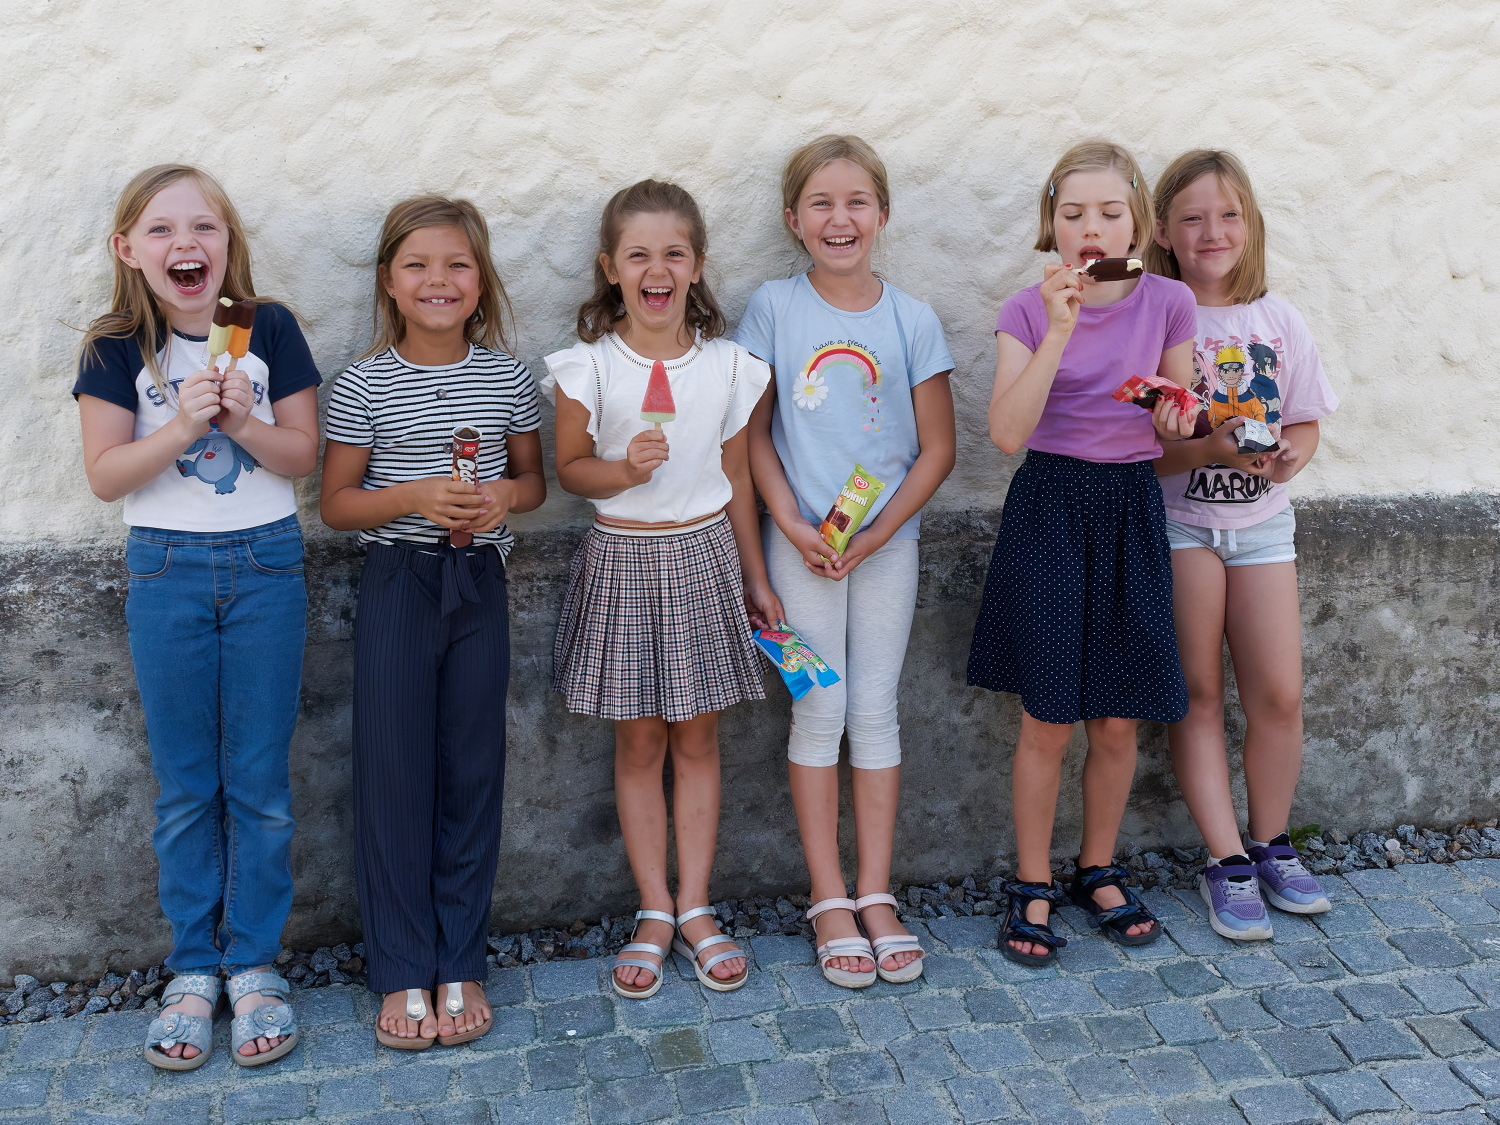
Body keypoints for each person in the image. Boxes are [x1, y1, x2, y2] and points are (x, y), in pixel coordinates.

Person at [74, 164, 321, 1069]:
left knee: (258, 782)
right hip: (165, 569)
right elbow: (106, 476)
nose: (186, 243)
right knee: (186, 785)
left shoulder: (268, 327)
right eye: (163, 229)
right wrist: (180, 427)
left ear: (228, 243)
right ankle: (191, 968)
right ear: (128, 250)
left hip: (266, 565)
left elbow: (302, 453)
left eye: (205, 227)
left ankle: (252, 962)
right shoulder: (117, 347)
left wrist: (244, 423)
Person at [542, 179, 778, 999]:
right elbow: (569, 469)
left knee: (699, 739)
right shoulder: (588, 367)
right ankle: (653, 908)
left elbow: (738, 476)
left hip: (704, 555)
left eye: (674, 253)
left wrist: (755, 575)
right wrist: (621, 469)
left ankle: (698, 906)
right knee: (640, 742)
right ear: (611, 268)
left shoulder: (730, 366)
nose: (658, 268)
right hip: (623, 556)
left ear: (697, 265)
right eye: (638, 254)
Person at [967, 141, 1199, 967]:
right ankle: (1031, 880)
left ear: (1138, 221)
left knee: (1117, 714)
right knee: (1048, 716)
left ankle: (1097, 866)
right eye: (1073, 214)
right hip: (1052, 506)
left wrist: (1180, 419)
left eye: (1109, 212)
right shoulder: (1026, 312)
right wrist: (1060, 327)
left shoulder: (1169, 301)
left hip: (1131, 505)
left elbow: (1178, 422)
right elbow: (1006, 432)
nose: (1091, 228)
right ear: (1052, 225)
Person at [321, 196, 545, 1048]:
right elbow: (337, 503)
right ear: (389, 280)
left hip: (478, 580)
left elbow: (534, 482)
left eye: (456, 264)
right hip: (399, 583)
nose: (437, 280)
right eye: (417, 265)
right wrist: (414, 495)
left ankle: (462, 959)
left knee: (471, 769)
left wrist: (502, 497)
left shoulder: (506, 379)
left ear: (480, 280)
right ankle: (400, 964)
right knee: (394, 774)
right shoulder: (363, 384)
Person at [739, 134, 955, 988]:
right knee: (818, 708)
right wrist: (790, 524)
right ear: (793, 219)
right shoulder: (773, 308)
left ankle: (875, 891)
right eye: (821, 203)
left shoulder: (912, 319)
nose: (840, 218)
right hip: (800, 547)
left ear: (883, 214)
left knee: (873, 709)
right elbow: (753, 432)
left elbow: (936, 448)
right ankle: (828, 896)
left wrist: (875, 533)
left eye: (857, 201)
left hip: (884, 546)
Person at [1145, 150, 1339, 939]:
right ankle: (1225, 860)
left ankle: (1273, 842)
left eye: (1228, 215)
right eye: (1192, 217)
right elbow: (1147, 455)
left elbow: (1306, 420)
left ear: (1250, 224)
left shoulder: (1277, 319)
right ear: (1163, 231)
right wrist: (1209, 449)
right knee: (1196, 692)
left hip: (1262, 527)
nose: (1212, 231)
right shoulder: (1156, 319)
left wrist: (1292, 455)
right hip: (1181, 524)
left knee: (1279, 694)